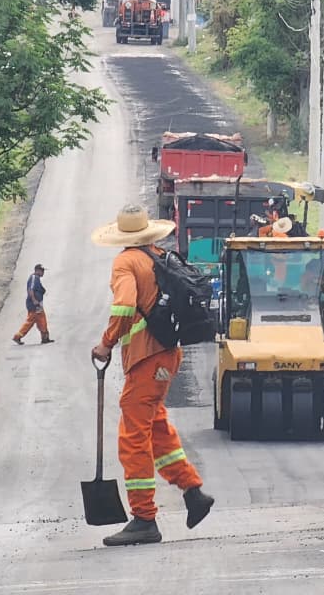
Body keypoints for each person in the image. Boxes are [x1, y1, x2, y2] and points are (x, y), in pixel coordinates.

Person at [90, 205, 214, 546]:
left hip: (148, 357)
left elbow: (124, 306)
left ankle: (144, 518)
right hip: (167, 354)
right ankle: (192, 492)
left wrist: (105, 344)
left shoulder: (125, 262)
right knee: (155, 426)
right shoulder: (158, 255)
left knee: (133, 436)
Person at [12, 264, 53, 345]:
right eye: (42, 270)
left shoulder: (37, 278)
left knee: (42, 320)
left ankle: (45, 338)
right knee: (31, 321)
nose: (43, 272)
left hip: (38, 305)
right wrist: (34, 300)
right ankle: (17, 336)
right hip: (34, 305)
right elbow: (30, 289)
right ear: (37, 270)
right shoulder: (34, 278)